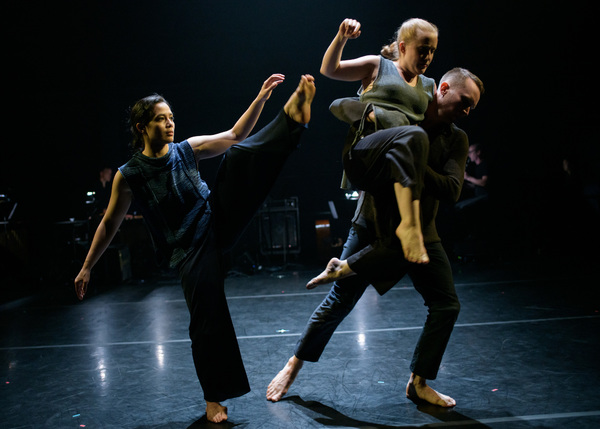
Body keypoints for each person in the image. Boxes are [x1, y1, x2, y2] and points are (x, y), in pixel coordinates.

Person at [75, 73, 316, 423]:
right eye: (161, 118)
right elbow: (110, 223)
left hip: (215, 220)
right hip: (187, 250)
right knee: (207, 318)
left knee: (236, 157)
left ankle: (291, 118)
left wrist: (262, 98)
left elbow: (235, 135)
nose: (170, 123)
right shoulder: (129, 175)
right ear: (141, 127)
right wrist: (86, 266)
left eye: (172, 117)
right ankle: (214, 398)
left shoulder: (187, 150)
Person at [267, 68, 483, 408]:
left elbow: (452, 189)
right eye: (464, 102)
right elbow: (351, 111)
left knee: (446, 304)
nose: (467, 110)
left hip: (421, 231)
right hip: (373, 222)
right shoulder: (402, 113)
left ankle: (419, 382)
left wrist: (410, 162)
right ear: (442, 89)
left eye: (473, 106)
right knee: (341, 299)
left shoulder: (455, 138)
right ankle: (294, 363)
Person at [321, 18, 438, 264]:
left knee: (376, 236)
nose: (428, 56)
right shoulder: (378, 66)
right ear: (403, 47)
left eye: (432, 51)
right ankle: (409, 225)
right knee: (413, 134)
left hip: (399, 163)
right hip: (368, 150)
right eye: (422, 49)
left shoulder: (429, 86)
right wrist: (342, 37)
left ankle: (344, 267)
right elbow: (329, 69)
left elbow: (433, 127)